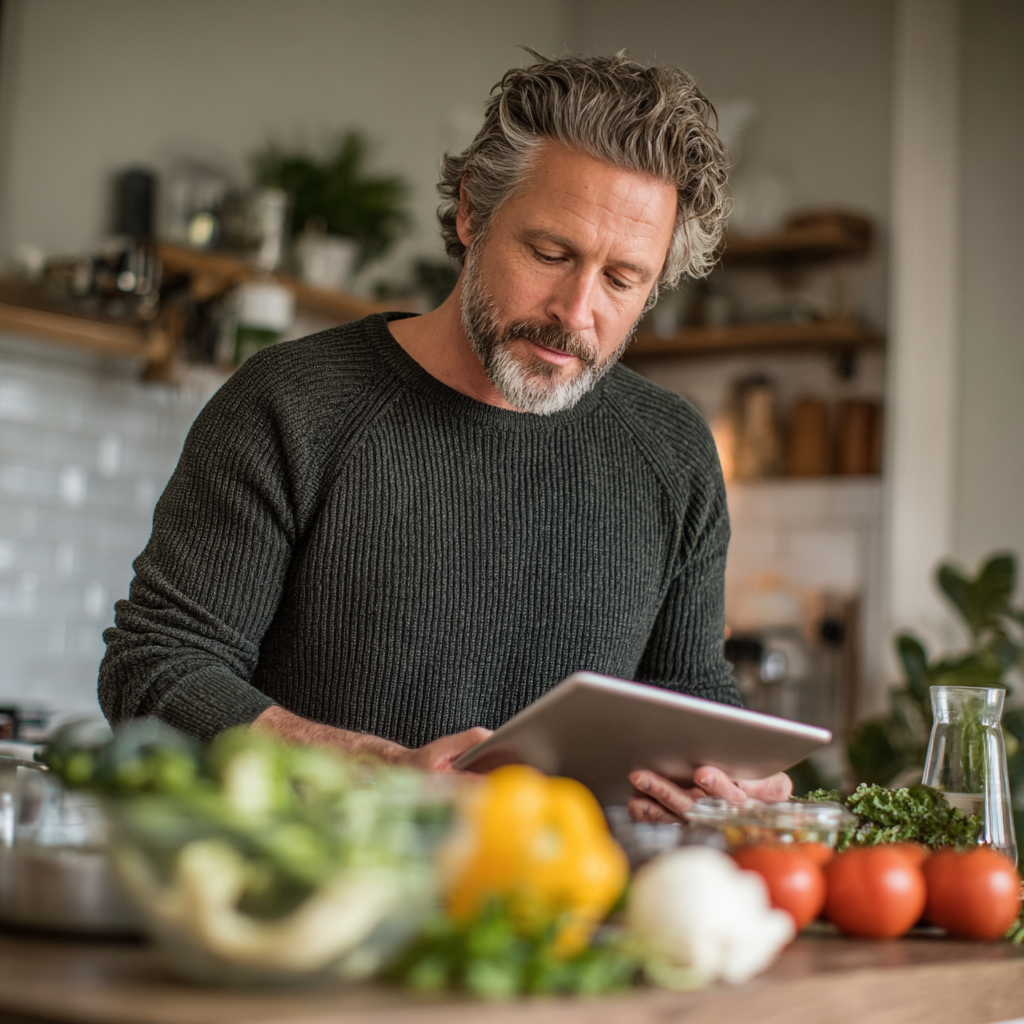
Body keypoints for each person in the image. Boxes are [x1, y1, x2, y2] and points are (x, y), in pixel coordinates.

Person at [98, 51, 791, 823]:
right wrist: (375, 768)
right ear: (471, 213)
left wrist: (729, 783)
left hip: (563, 920)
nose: (575, 310)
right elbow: (155, 667)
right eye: (550, 254)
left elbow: (690, 698)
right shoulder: (291, 406)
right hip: (304, 908)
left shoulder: (674, 453)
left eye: (622, 279)